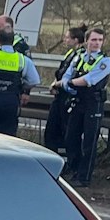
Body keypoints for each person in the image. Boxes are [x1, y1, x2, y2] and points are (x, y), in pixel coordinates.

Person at [59, 28, 110, 186]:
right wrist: (67, 84)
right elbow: (67, 75)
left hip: (93, 103)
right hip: (77, 101)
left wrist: (69, 84)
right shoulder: (79, 58)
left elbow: (89, 79)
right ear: (86, 41)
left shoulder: (104, 61)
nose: (97, 43)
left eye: (100, 40)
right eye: (94, 40)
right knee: (71, 137)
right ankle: (74, 169)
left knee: (89, 142)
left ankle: (84, 177)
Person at [45, 24, 89, 154]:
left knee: (66, 132)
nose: (65, 40)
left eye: (67, 37)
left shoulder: (81, 55)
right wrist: (55, 83)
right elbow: (62, 72)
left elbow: (72, 76)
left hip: (68, 97)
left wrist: (58, 85)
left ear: (76, 40)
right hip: (60, 95)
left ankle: (65, 162)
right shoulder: (71, 53)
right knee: (52, 130)